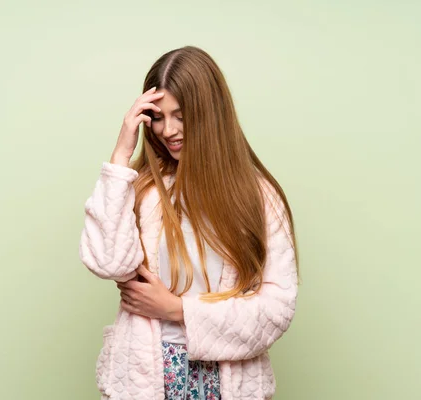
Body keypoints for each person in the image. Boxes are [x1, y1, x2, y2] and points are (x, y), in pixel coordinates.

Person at [79, 45, 299, 400]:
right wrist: (121, 155)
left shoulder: (258, 196)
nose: (168, 130)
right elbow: (107, 262)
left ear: (210, 112)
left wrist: (179, 311)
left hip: (228, 381)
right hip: (144, 377)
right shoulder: (141, 187)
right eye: (159, 117)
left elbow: (276, 309)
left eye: (181, 115)